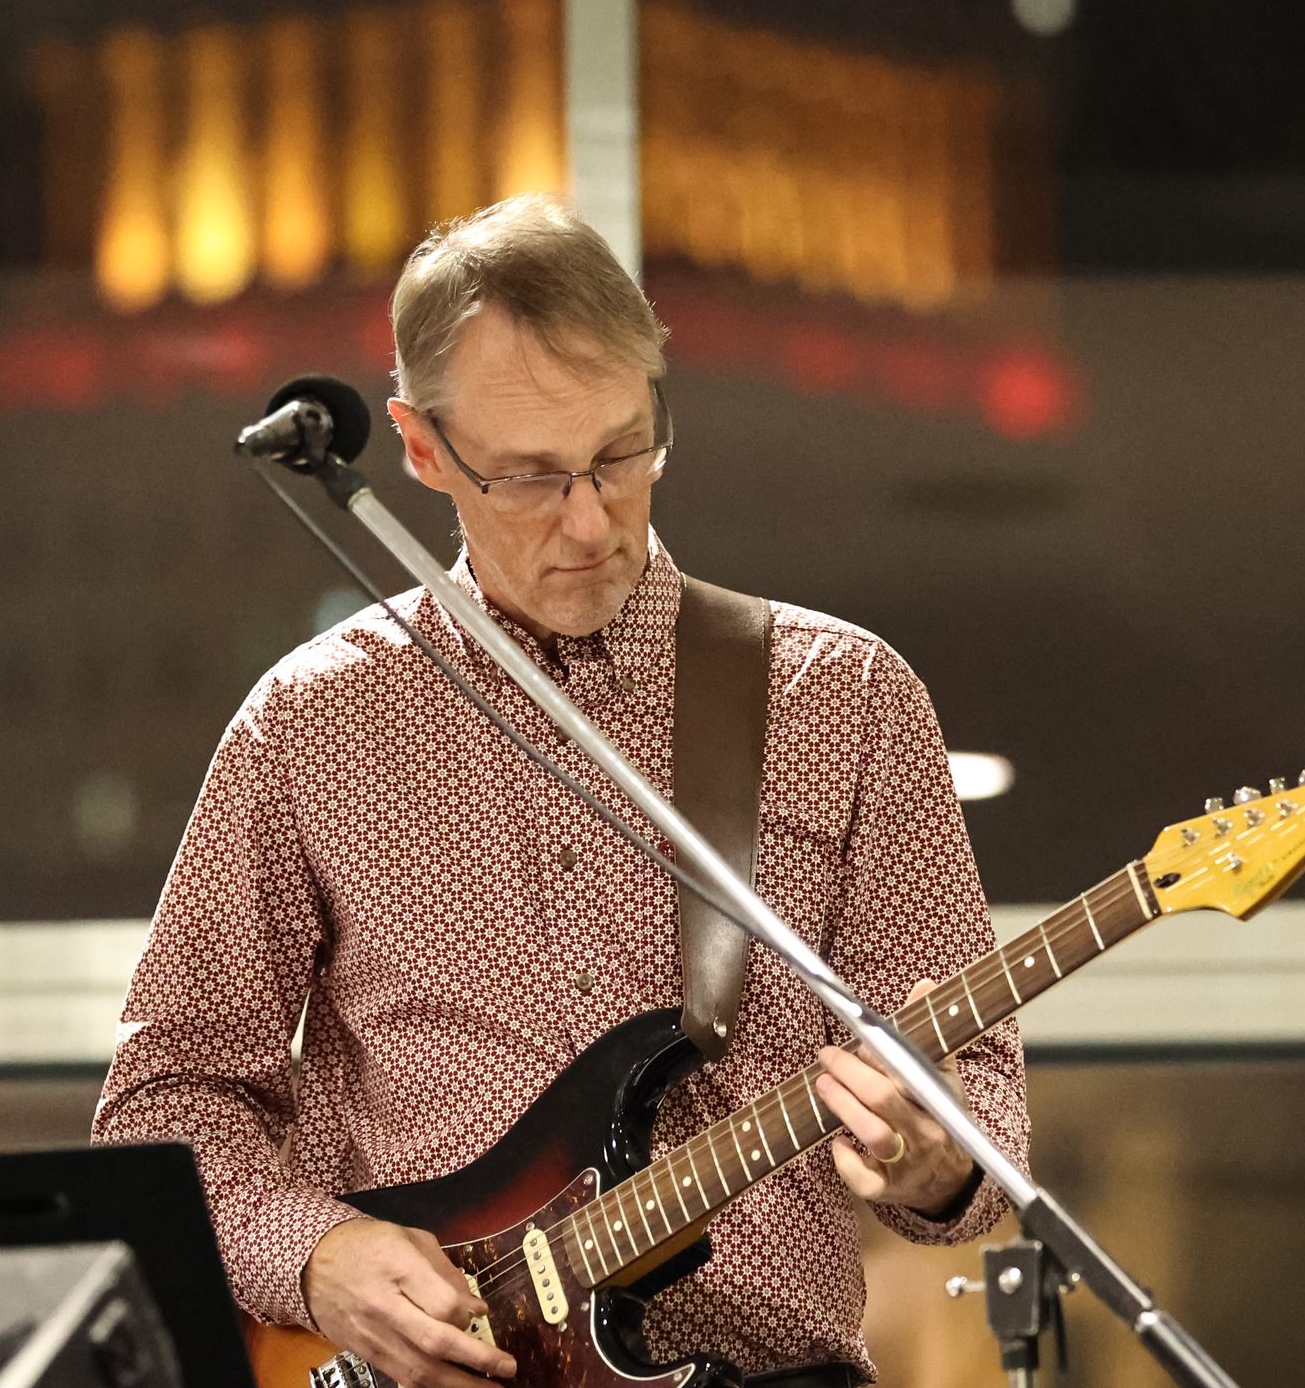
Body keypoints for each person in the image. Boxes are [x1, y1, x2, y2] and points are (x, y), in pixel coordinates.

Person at [94, 195, 1028, 1388]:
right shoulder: (308, 724)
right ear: (421, 448)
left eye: (619, 453)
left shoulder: (842, 698)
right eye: (531, 477)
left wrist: (939, 1163)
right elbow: (164, 1102)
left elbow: (973, 1092)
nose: (590, 520)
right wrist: (315, 1256)